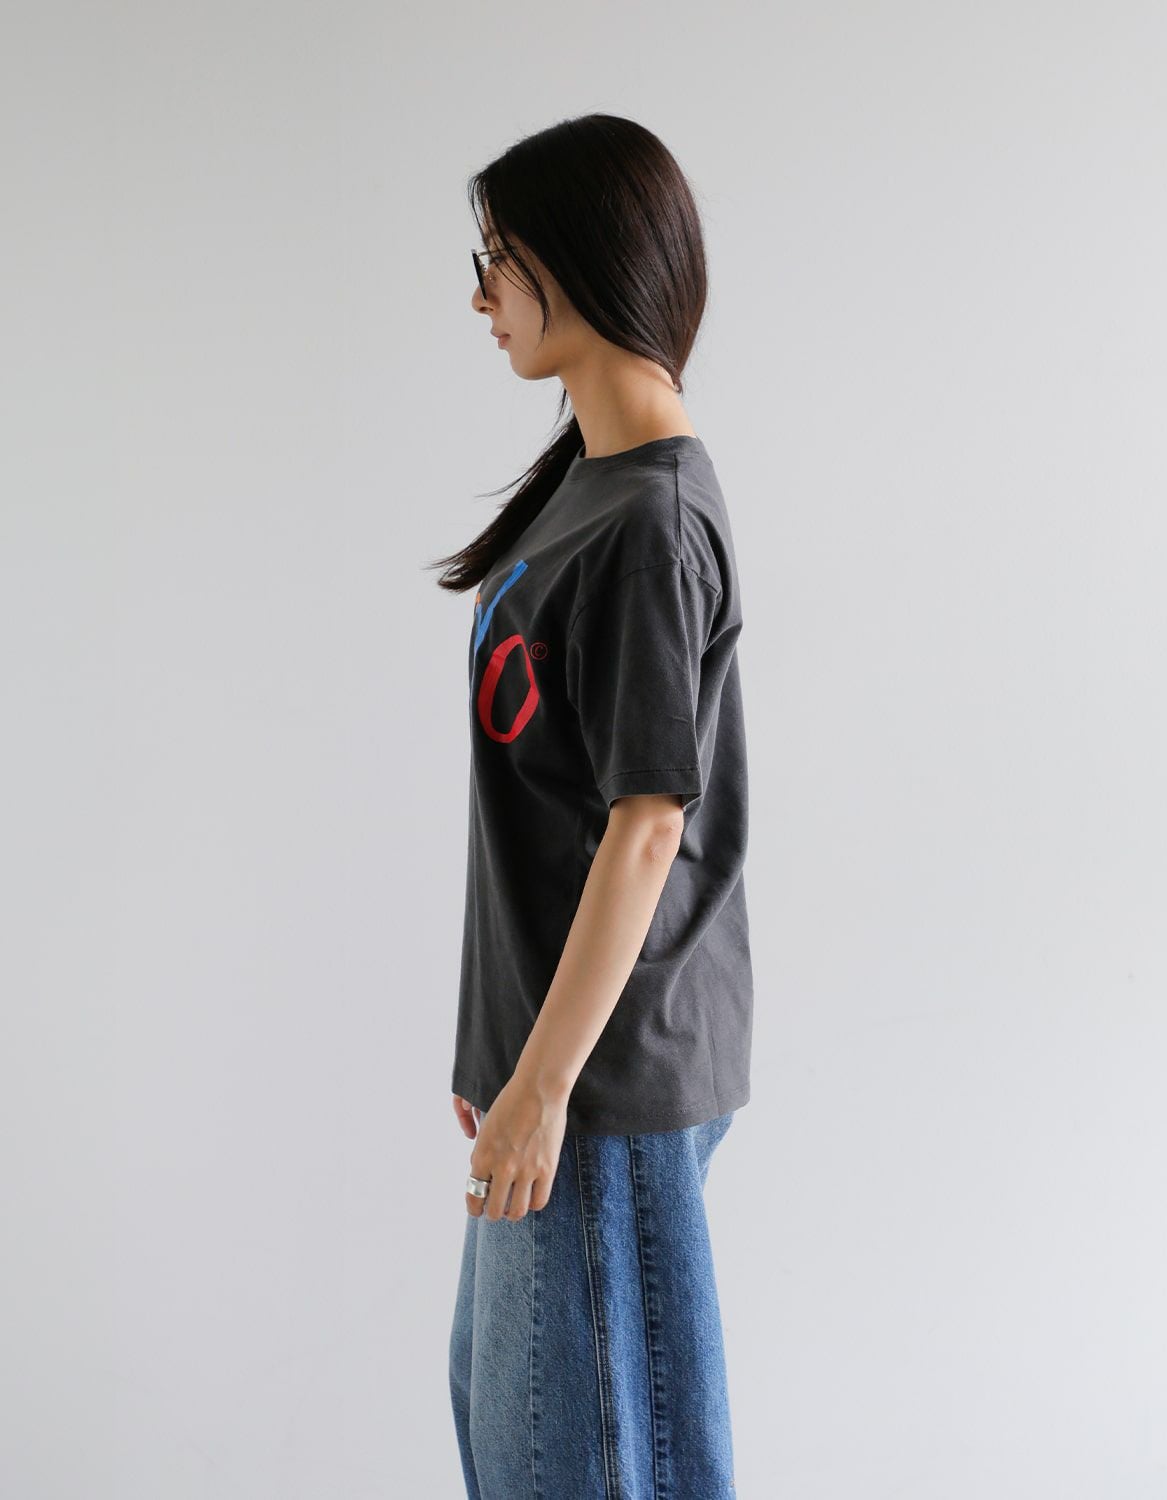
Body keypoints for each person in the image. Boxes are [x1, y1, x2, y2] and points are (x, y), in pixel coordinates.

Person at [426, 112, 754, 1499]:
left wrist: (546, 1084)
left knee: (580, 1463)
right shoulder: (593, 482)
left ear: (581, 260)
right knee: (515, 1436)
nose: (481, 295)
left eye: (497, 260)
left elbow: (648, 823)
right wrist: (500, 1052)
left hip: (603, 1087)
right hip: (556, 1068)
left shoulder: (649, 521)